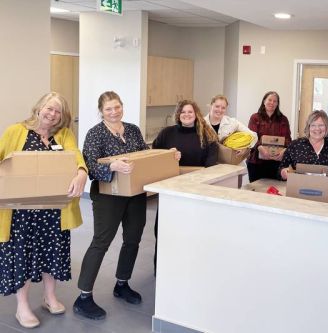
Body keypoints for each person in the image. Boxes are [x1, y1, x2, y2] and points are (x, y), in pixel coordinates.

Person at [0, 92, 87, 329]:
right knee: (23, 256)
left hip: (54, 210)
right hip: (22, 212)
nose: (52, 114)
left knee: (53, 252)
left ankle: (49, 298)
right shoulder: (15, 131)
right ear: (39, 108)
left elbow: (76, 156)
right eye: (49, 108)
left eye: (58, 111)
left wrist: (81, 172)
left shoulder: (64, 134)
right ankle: (22, 306)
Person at [73, 91, 149, 321]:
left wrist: (167, 156)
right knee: (101, 242)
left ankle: (122, 283)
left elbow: (146, 154)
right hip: (108, 196)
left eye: (117, 107)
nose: (114, 112)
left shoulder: (133, 129)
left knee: (133, 239)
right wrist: (112, 166)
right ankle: (83, 297)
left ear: (122, 107)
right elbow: (89, 167)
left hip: (135, 194)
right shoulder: (95, 134)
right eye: (109, 109)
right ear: (101, 111)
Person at [152, 99, 218, 274]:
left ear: (196, 114)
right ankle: (162, 270)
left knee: (191, 232)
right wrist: (168, 155)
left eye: (190, 112)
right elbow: (153, 155)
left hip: (195, 191)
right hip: (169, 190)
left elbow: (211, 166)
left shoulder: (207, 135)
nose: (187, 115)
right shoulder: (167, 133)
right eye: (183, 112)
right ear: (178, 115)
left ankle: (188, 271)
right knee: (165, 231)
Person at [280, 110, 328, 188]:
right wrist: (283, 172)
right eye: (313, 125)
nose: (317, 129)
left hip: (325, 194)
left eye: (321, 125)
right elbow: (281, 168)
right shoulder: (295, 145)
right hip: (299, 191)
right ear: (308, 127)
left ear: (327, 127)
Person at [247, 91, 292, 182]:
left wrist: (284, 151)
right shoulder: (255, 118)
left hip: (277, 162)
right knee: (256, 191)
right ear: (264, 101)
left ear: (277, 104)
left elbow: (288, 139)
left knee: (275, 191)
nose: (272, 103)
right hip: (256, 162)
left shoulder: (283, 119)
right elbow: (251, 137)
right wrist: (260, 148)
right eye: (269, 100)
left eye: (275, 101)